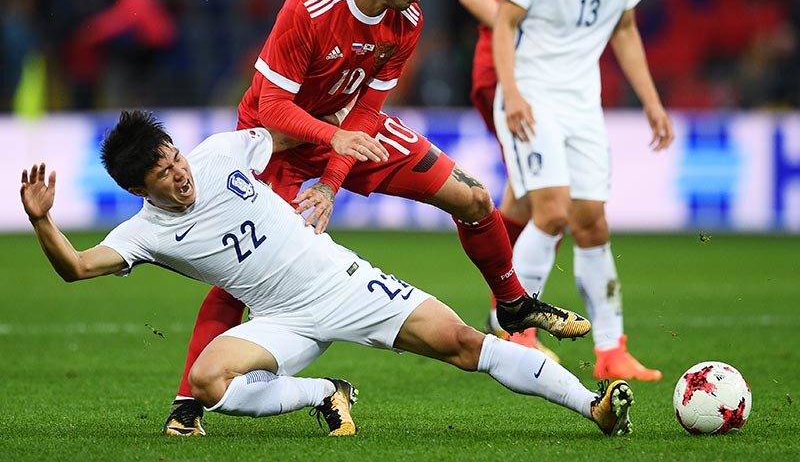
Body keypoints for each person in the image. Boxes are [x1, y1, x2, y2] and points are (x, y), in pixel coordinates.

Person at [164, 0, 591, 436]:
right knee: (241, 274)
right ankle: (187, 404)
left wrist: (332, 181)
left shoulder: (406, 20)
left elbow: (368, 111)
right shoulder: (309, 9)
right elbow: (271, 108)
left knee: (474, 197)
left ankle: (512, 304)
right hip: (275, 144)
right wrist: (332, 138)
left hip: (350, 129)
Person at [19, 110, 634, 438]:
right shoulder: (144, 232)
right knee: (207, 382)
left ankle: (593, 407)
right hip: (280, 321)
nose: (179, 172)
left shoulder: (221, 151)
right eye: (162, 172)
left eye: (173, 156)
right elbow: (76, 267)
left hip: (341, 282)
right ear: (138, 188)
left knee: (463, 345)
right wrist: (44, 221)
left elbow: (287, 134)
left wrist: (337, 140)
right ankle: (324, 392)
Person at [492, 0, 674, 382]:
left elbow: (625, 29)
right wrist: (513, 93)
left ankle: (611, 349)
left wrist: (652, 102)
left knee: (592, 220)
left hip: (582, 103)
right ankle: (517, 332)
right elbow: (504, 22)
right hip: (530, 95)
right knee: (551, 211)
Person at [458, 0, 576, 354]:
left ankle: (505, 315)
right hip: (508, 72)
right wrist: (529, 34)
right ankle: (513, 320)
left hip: (554, 75)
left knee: (527, 198)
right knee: (548, 200)